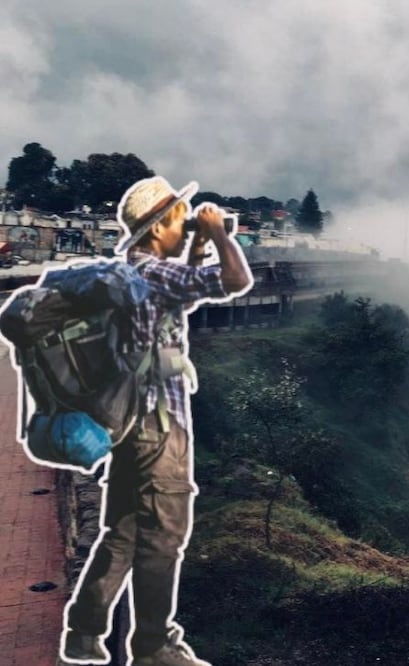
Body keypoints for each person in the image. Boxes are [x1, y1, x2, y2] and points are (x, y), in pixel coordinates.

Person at [61, 176, 252, 666]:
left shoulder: (131, 271)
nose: (184, 223)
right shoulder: (156, 274)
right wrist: (220, 234)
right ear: (158, 226)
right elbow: (236, 282)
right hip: (158, 427)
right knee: (164, 537)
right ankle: (152, 645)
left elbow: (180, 301)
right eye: (179, 218)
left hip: (123, 422)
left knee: (123, 530)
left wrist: (194, 244)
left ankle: (83, 633)